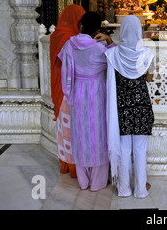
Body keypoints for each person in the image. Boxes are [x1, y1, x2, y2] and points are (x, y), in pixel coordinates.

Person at [58, 11, 115, 191]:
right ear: (97, 28)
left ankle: (83, 181)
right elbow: (116, 60)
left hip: (78, 92)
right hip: (96, 92)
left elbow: (64, 62)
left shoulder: (69, 44)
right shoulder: (98, 48)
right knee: (97, 134)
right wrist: (109, 41)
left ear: (81, 25)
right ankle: (97, 182)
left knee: (81, 134)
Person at [105, 15, 155, 198]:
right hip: (142, 106)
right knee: (140, 149)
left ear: (123, 30)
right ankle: (141, 190)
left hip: (122, 108)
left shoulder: (113, 54)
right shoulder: (147, 53)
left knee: (124, 149)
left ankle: (124, 189)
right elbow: (149, 78)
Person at [50, 4, 86, 178]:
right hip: (68, 90)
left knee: (64, 129)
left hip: (58, 86)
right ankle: (73, 167)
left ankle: (65, 164)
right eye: (79, 21)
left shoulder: (56, 35)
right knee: (71, 129)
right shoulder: (70, 39)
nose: (80, 25)